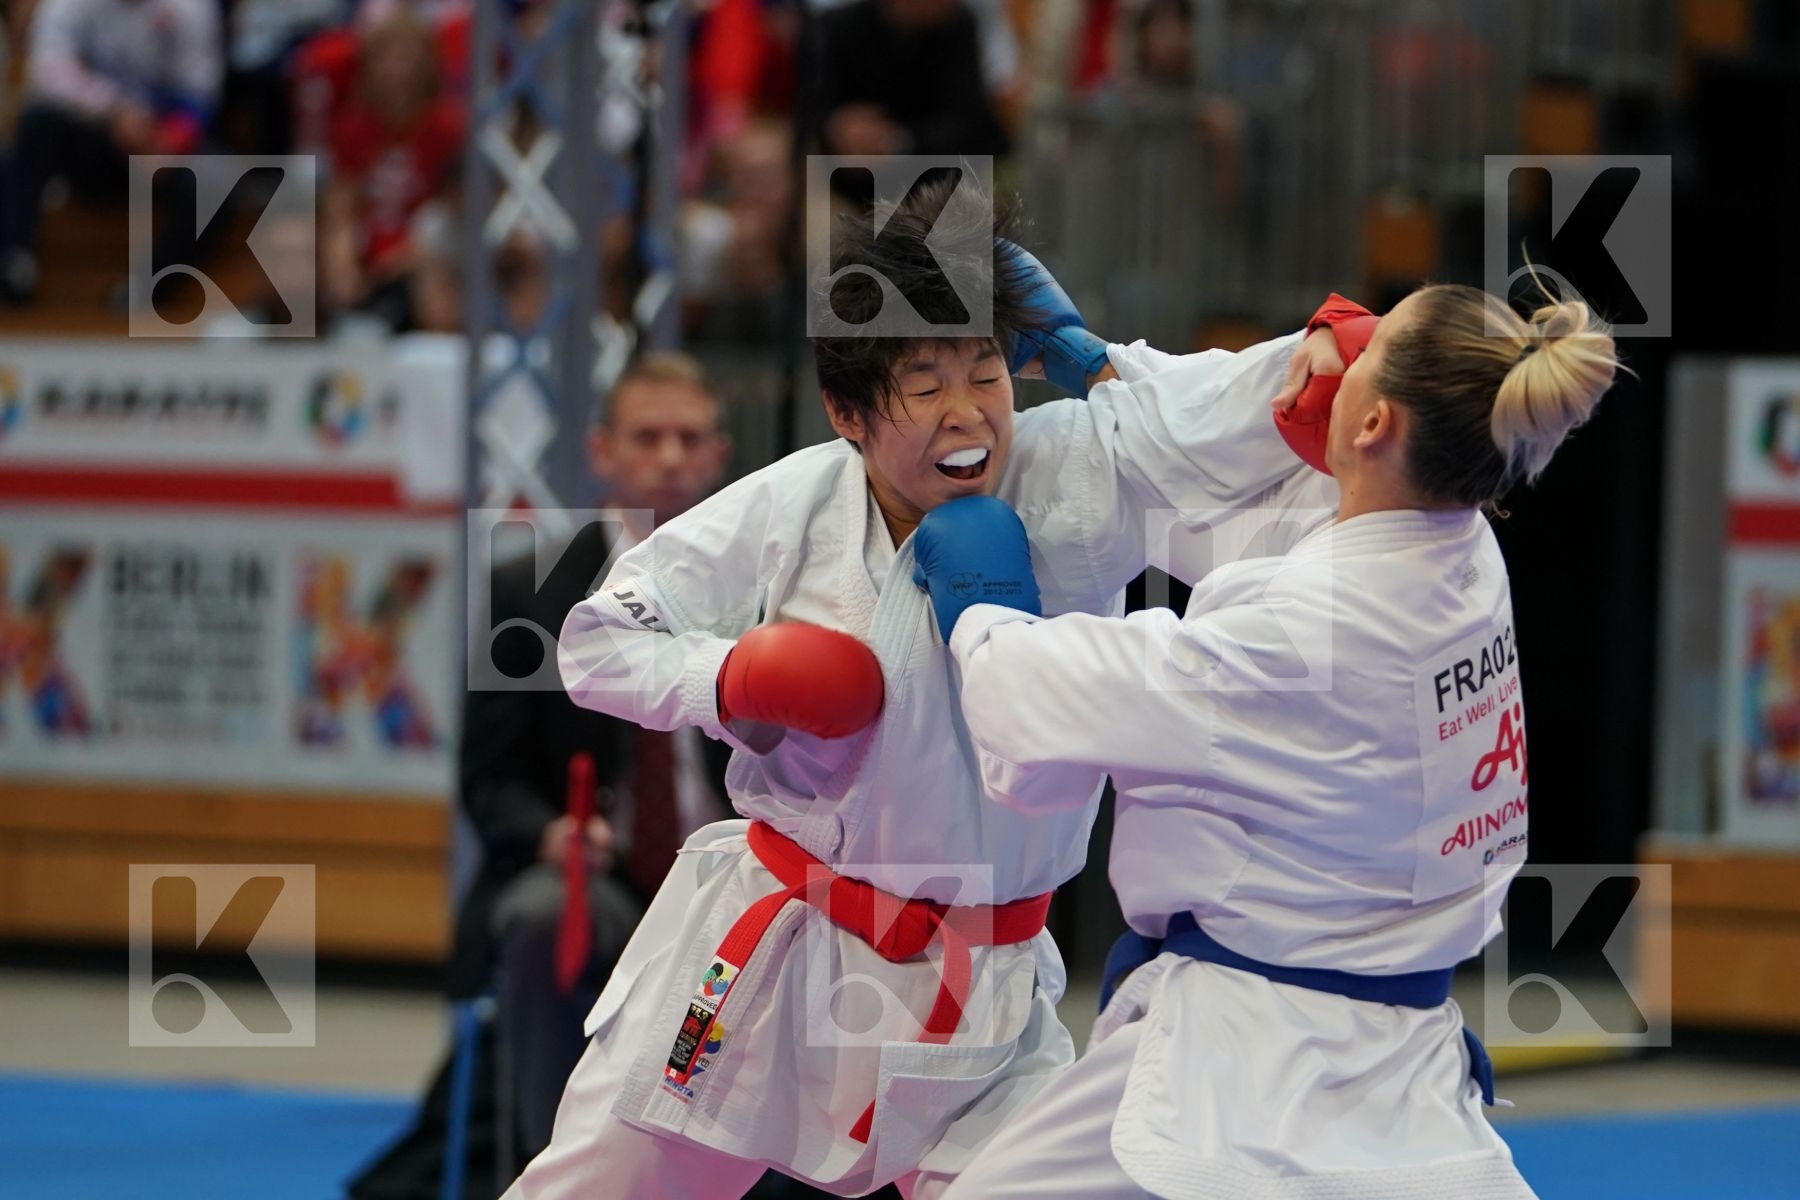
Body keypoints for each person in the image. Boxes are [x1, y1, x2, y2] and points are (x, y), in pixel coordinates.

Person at [504, 179, 1349, 1199]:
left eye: (986, 371)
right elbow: (597, 641)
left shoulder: (1072, 472)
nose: (968, 413)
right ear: (848, 412)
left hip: (987, 987)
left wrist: (1105, 362)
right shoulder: (788, 506)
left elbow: (1263, 403)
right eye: (924, 383)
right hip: (776, 956)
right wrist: (728, 677)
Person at [928, 283, 1620, 1199]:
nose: (1337, 347)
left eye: (1366, 347)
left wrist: (984, 609)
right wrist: (1107, 371)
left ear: (1373, 422)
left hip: (1248, 1056)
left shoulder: (1303, 630)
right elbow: (1232, 524)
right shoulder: (1458, 554)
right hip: (1390, 1051)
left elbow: (1043, 695)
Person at [350, 354, 737, 1199]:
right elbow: (488, 780)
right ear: (602, 451)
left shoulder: (768, 590)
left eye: (689, 438)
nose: (670, 458)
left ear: (720, 453)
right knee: (540, 913)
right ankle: (551, 1168)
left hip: (736, 881)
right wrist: (551, 832)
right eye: (648, 437)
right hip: (595, 878)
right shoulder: (529, 592)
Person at [0, 0, 221, 305]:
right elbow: (48, 74)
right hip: (94, 137)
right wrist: (114, 111)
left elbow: (201, 92)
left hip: (159, 144)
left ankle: (145, 288)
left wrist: (170, 141)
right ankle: (17, 261)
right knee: (37, 123)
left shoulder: (190, 8)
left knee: (217, 180)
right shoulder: (69, 5)